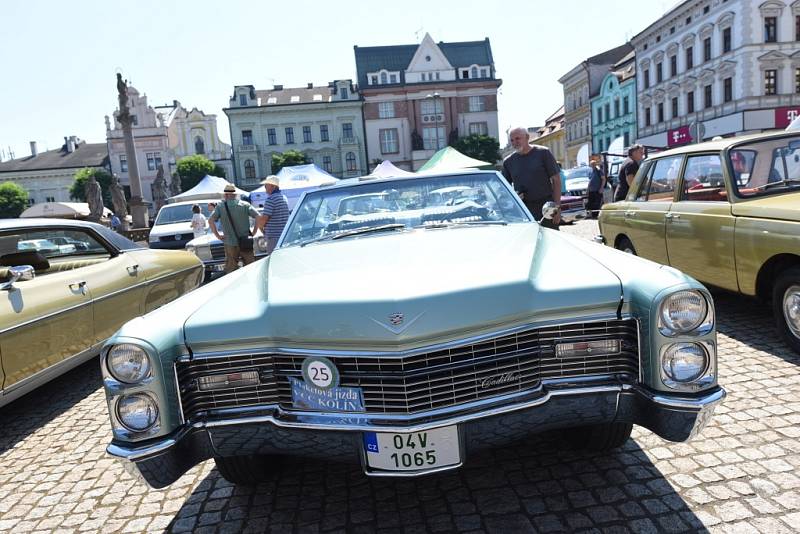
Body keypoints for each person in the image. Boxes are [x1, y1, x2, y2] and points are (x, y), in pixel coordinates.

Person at [502, 127, 561, 230]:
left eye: (517, 138)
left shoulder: (543, 153)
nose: (515, 142)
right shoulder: (508, 162)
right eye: (512, 140)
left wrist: (557, 208)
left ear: (527, 137)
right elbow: (504, 190)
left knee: (550, 241)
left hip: (546, 208)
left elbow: (556, 180)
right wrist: (514, 196)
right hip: (523, 210)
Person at [208, 184, 260, 273]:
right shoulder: (245, 205)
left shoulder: (220, 207)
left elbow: (210, 221)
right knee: (250, 267)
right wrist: (254, 232)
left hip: (229, 242)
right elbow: (258, 216)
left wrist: (218, 235)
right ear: (235, 194)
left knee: (231, 269)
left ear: (226, 195)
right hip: (245, 241)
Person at [253, 175, 289, 255]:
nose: (265, 187)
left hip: (273, 237)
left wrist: (260, 227)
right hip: (284, 235)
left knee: (273, 261)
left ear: (273, 186)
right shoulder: (283, 197)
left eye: (266, 185)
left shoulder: (270, 199)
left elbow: (264, 219)